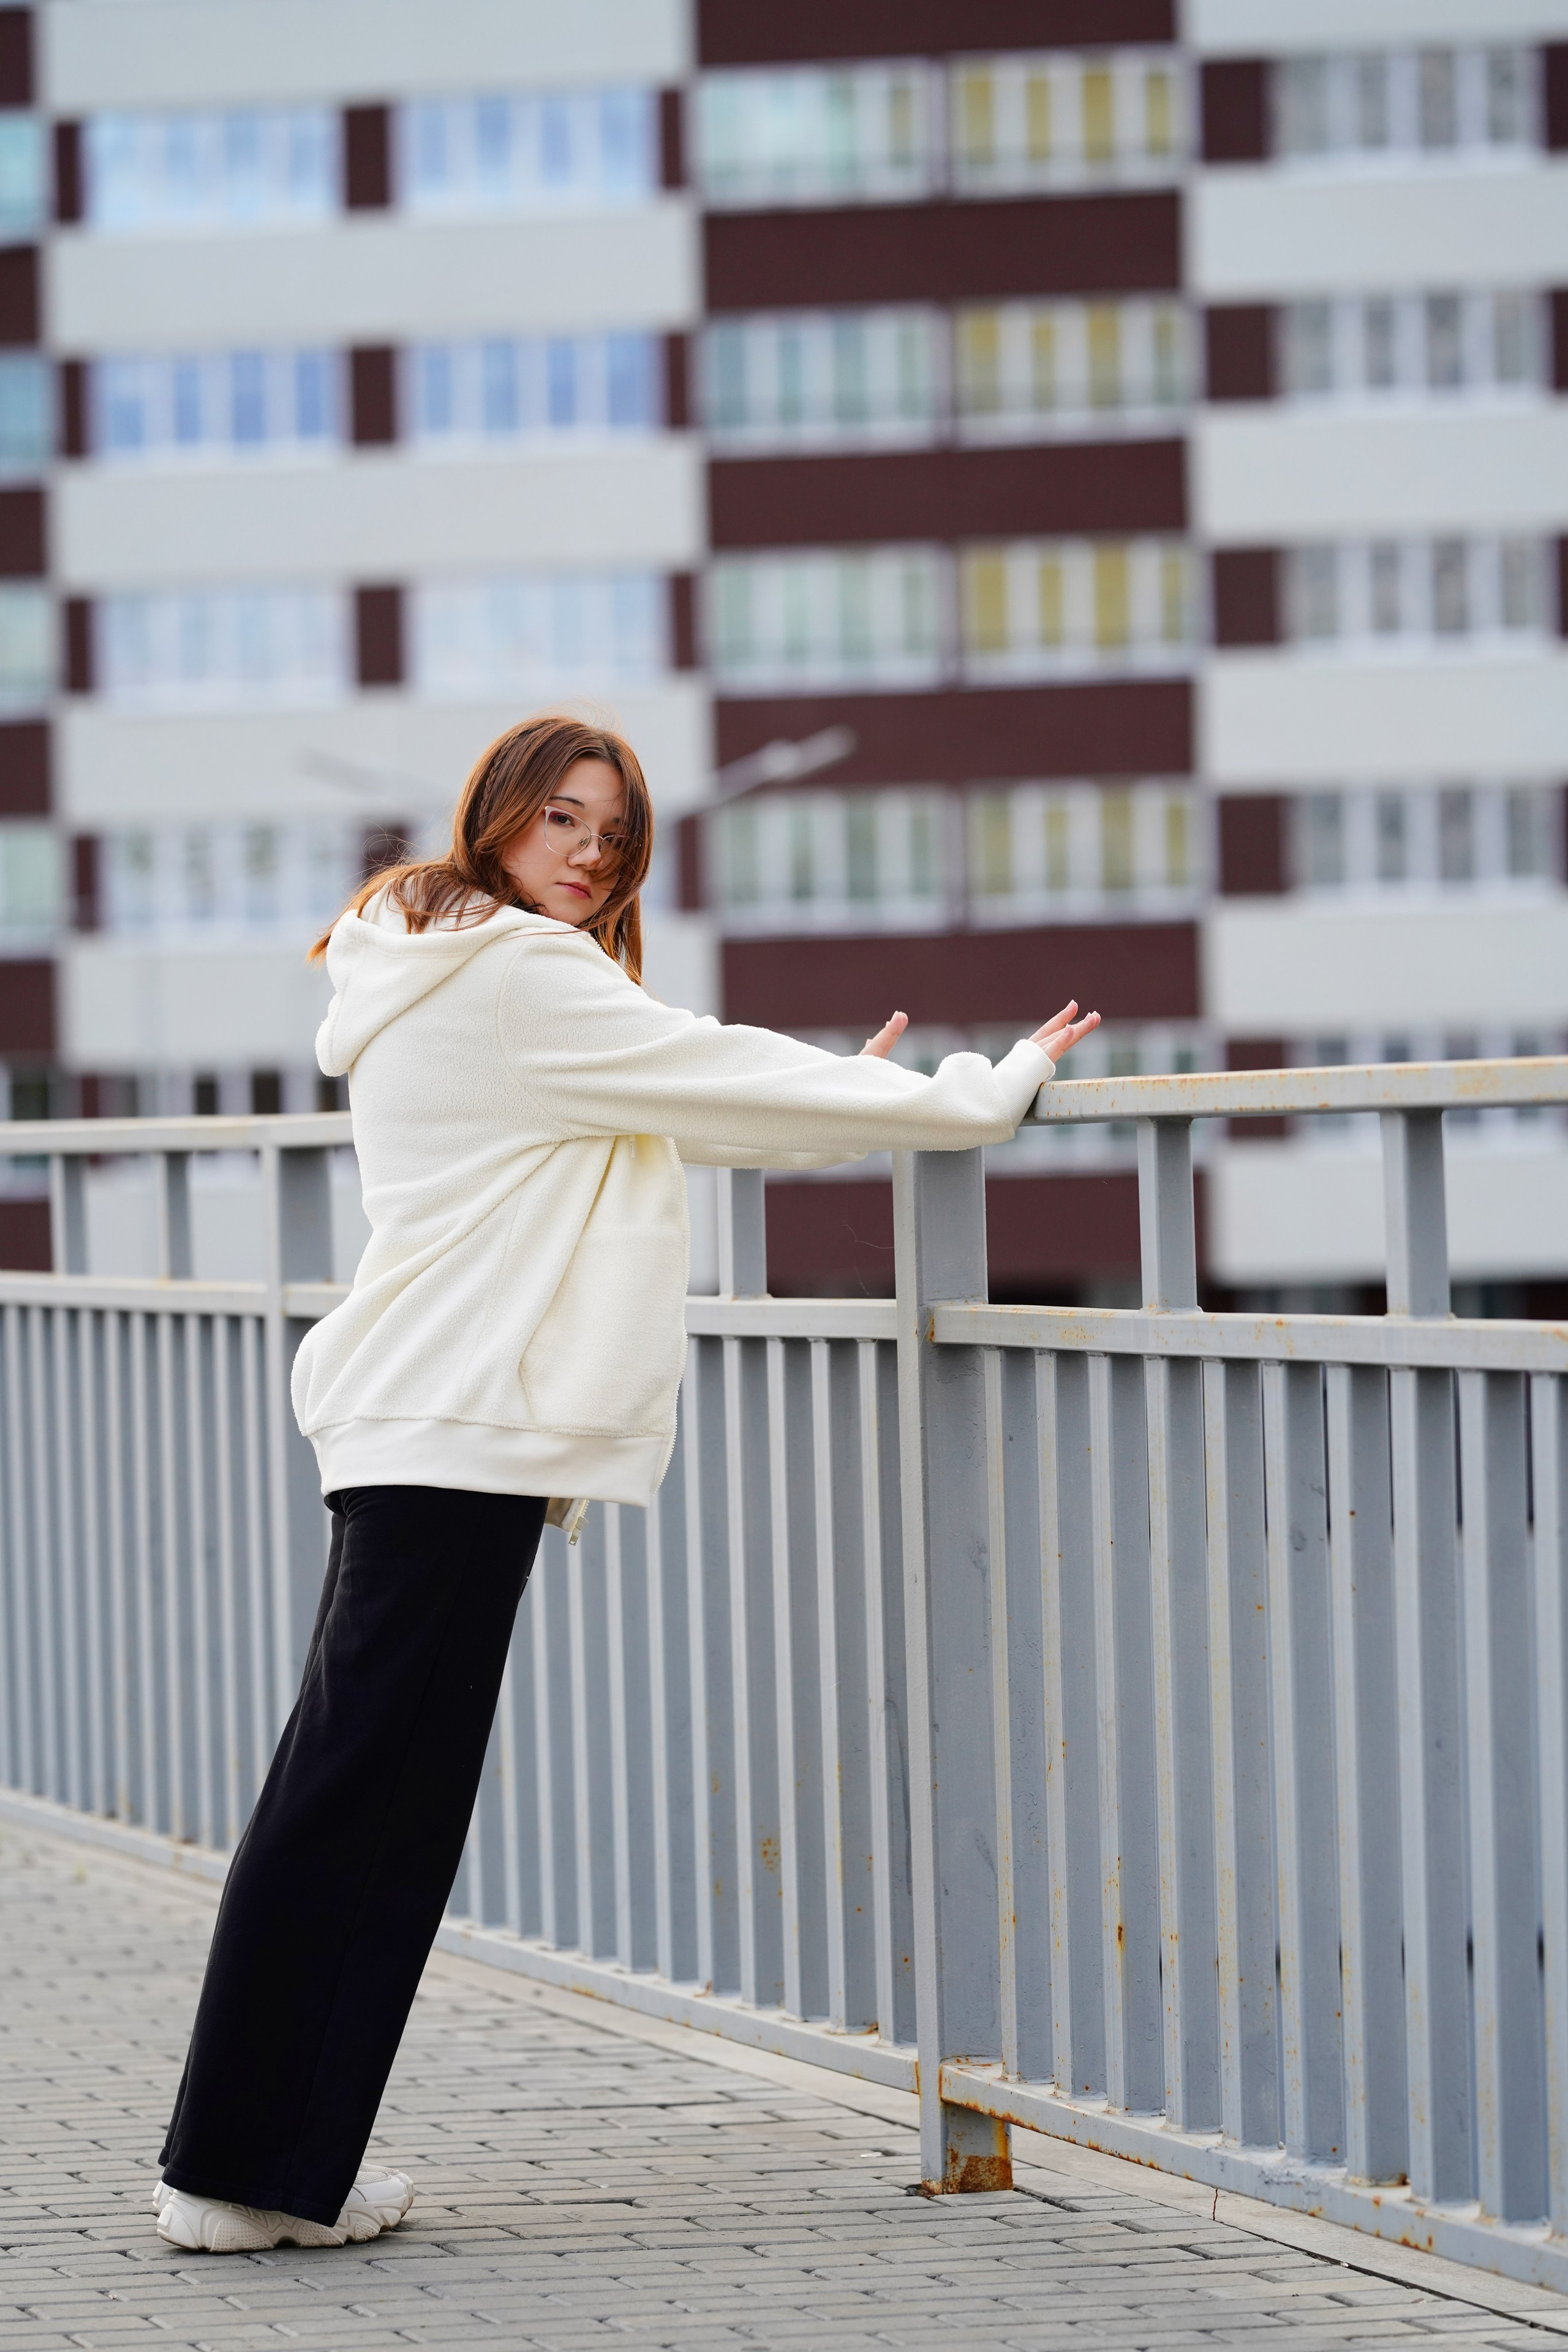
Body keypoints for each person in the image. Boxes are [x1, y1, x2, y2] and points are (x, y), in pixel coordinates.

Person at [153, 712, 1099, 2254]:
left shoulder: (430, 962)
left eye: (615, 834)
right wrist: (973, 1095)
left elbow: (655, 1107)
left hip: (424, 1420)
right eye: (564, 820)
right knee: (358, 1808)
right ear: (498, 817)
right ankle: (235, 2176)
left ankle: (265, 2169)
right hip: (459, 1427)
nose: (591, 853)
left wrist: (825, 1104)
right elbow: (694, 1071)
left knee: (356, 1800)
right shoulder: (521, 972)